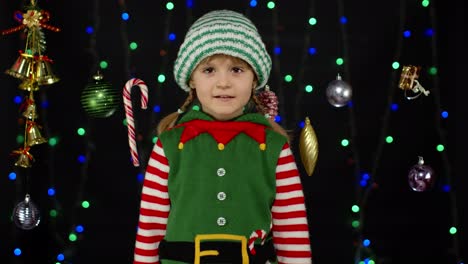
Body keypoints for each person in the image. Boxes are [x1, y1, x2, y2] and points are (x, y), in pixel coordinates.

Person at [133, 9, 312, 264]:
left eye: (237, 69)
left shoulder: (274, 147)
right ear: (192, 79)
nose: (223, 82)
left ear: (254, 80)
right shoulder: (170, 146)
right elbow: (150, 228)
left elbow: (292, 232)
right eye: (209, 70)